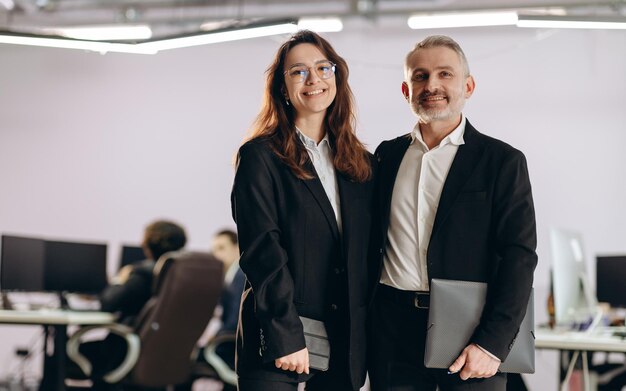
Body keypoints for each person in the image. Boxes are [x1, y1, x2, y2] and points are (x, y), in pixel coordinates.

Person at [368, 35, 537, 391]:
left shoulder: (501, 162)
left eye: (445, 74)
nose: (432, 85)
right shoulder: (386, 157)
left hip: (469, 330)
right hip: (391, 333)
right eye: (420, 76)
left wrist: (492, 343)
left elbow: (519, 257)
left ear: (468, 86)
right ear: (405, 89)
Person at [231, 30, 376, 391]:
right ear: (282, 87)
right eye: (298, 71)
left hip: (342, 342)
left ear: (337, 77)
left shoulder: (362, 165)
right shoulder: (260, 157)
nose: (313, 80)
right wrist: (286, 334)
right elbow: (262, 251)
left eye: (323, 68)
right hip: (281, 338)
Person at [70, 220, 187, 387]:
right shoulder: (181, 276)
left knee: (69, 352)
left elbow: (107, 304)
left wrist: (119, 280)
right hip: (164, 354)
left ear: (147, 244)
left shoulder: (142, 274)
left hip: (127, 351)